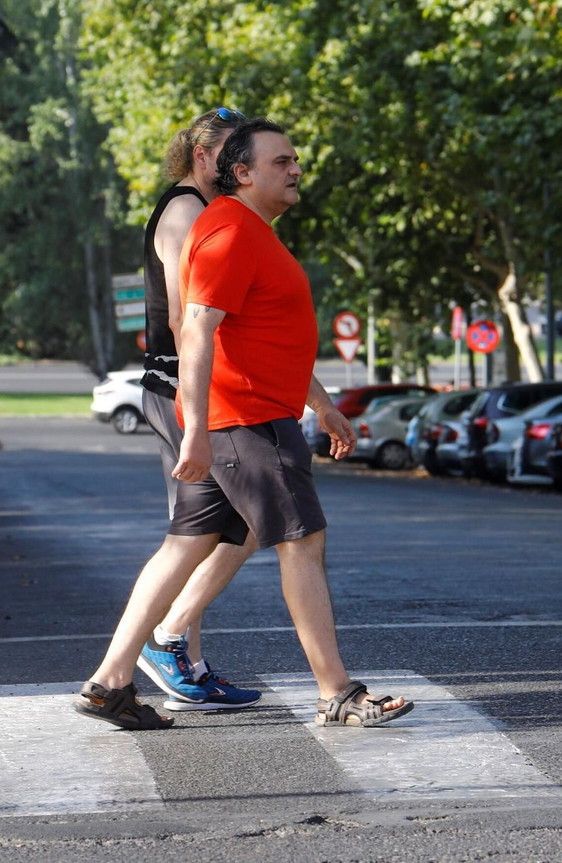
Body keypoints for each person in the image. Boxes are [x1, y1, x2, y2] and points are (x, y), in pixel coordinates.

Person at [77, 118, 413, 731]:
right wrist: (197, 428)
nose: (296, 169)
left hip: (241, 416)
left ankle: (109, 682)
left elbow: (267, 339)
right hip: (248, 420)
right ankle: (337, 691)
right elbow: (195, 328)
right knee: (302, 542)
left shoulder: (251, 232)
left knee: (185, 546)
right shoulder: (230, 231)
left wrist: (322, 404)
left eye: (295, 159)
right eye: (281, 161)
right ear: (242, 173)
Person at [133, 108, 261, 713]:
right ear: (201, 155)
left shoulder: (208, 210)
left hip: (191, 389)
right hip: (180, 389)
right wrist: (202, 410)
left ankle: (184, 656)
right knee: (210, 528)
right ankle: (169, 646)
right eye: (230, 154)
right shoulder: (185, 211)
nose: (240, 165)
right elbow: (189, 319)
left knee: (213, 528)